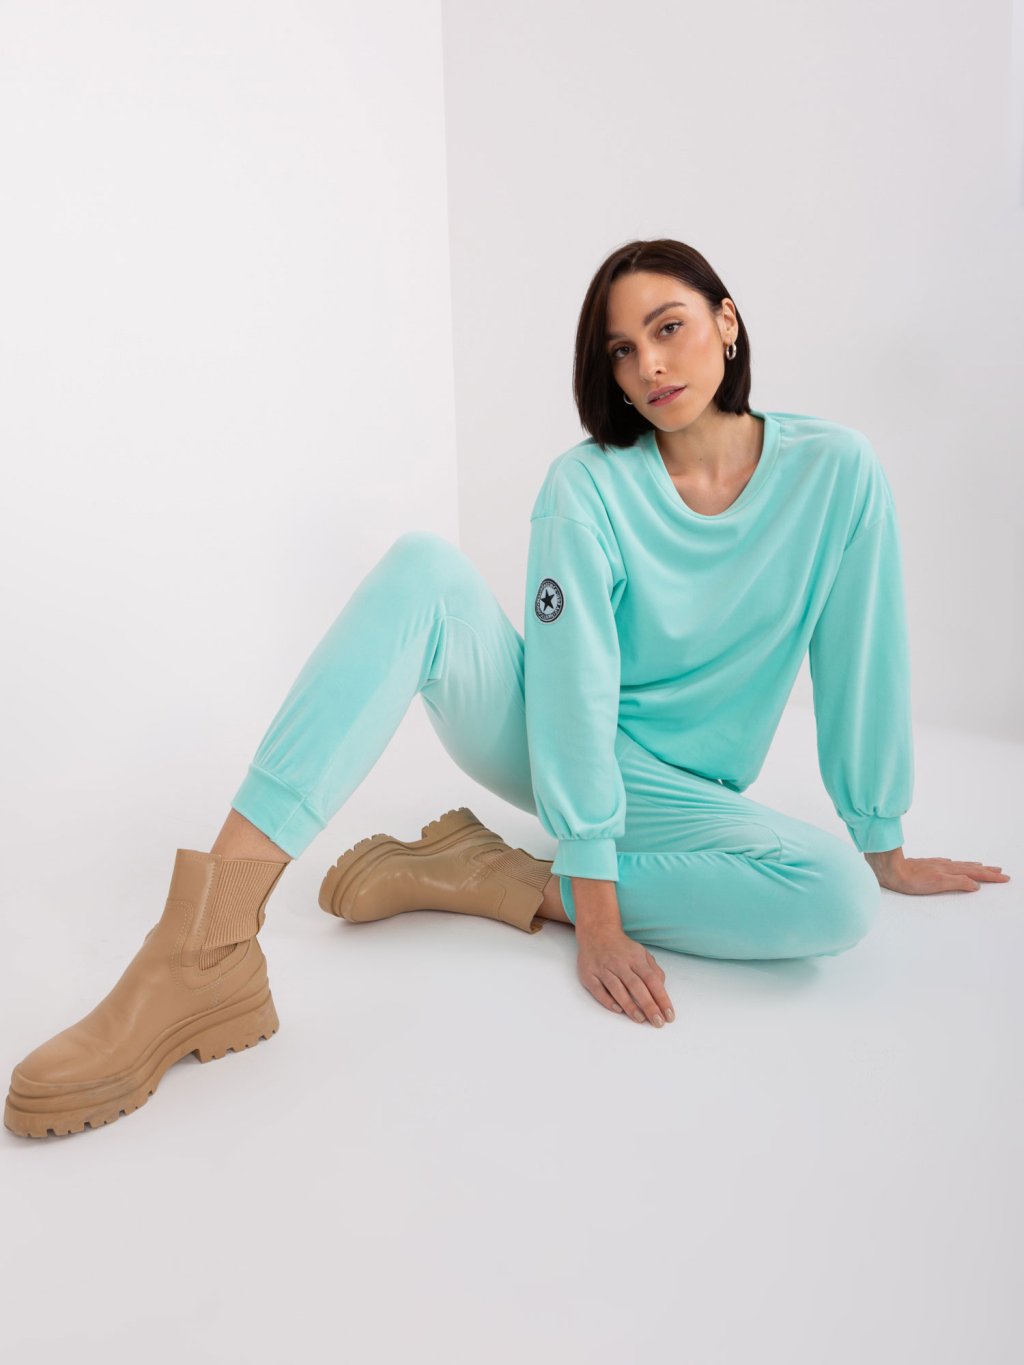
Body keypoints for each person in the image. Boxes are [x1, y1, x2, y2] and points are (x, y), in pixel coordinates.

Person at [5, 238, 1009, 1139]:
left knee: (836, 898)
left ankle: (489, 874)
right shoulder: (589, 485)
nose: (650, 366)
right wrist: (600, 909)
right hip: (550, 738)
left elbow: (861, 652)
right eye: (622, 350)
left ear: (727, 322)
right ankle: (203, 941)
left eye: (668, 328)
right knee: (422, 571)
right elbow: (571, 691)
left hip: (683, 791)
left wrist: (880, 837)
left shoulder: (836, 473)